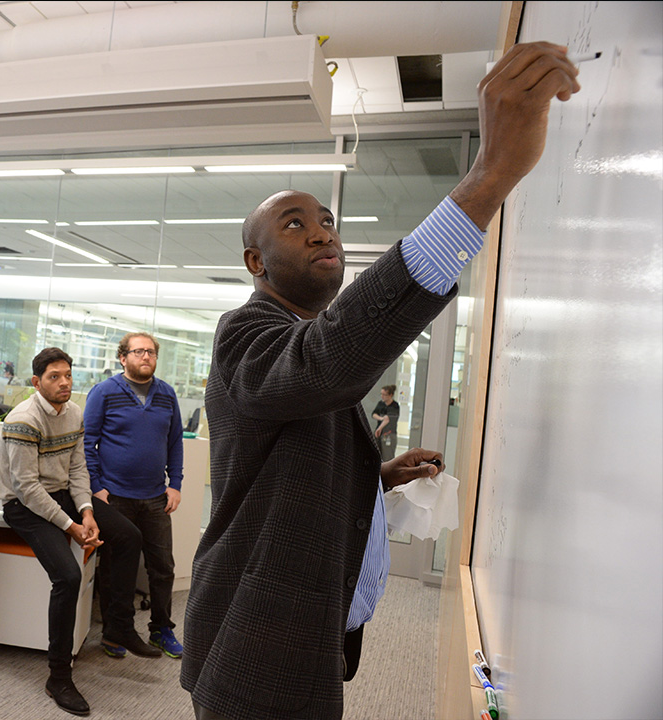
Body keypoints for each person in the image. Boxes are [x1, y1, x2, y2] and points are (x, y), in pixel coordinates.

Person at [181, 42, 582, 720]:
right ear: (255, 261)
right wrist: (487, 178)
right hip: (254, 641)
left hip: (296, 631)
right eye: (294, 224)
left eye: (327, 221)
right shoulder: (244, 333)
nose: (321, 233)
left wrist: (377, 475)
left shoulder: (297, 339)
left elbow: (296, 439)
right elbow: (323, 366)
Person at [0, 347, 160, 717]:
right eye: (54, 377)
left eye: (68, 375)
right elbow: (26, 488)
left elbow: (77, 469)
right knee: (68, 576)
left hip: (62, 495)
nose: (64, 382)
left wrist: (86, 511)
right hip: (23, 506)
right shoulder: (23, 419)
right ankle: (58, 677)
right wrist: (71, 526)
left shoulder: (73, 412)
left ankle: (118, 626)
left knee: (129, 535)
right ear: (37, 382)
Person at [84, 332, 185, 659]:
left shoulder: (167, 394)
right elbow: (87, 443)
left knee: (162, 567)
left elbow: (175, 442)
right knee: (115, 568)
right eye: (139, 351)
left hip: (156, 497)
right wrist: (97, 486)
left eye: (151, 352)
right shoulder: (104, 392)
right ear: (122, 357)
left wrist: (175, 483)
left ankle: (161, 629)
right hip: (115, 497)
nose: (146, 357)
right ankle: (114, 632)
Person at [372, 385, 400, 461]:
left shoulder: (395, 406)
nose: (382, 396)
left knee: (387, 457)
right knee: (377, 456)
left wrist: (379, 429)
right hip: (379, 434)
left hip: (389, 434)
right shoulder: (380, 404)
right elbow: (374, 414)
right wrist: (381, 418)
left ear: (391, 395)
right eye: (381, 394)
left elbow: (387, 419)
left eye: (384, 395)